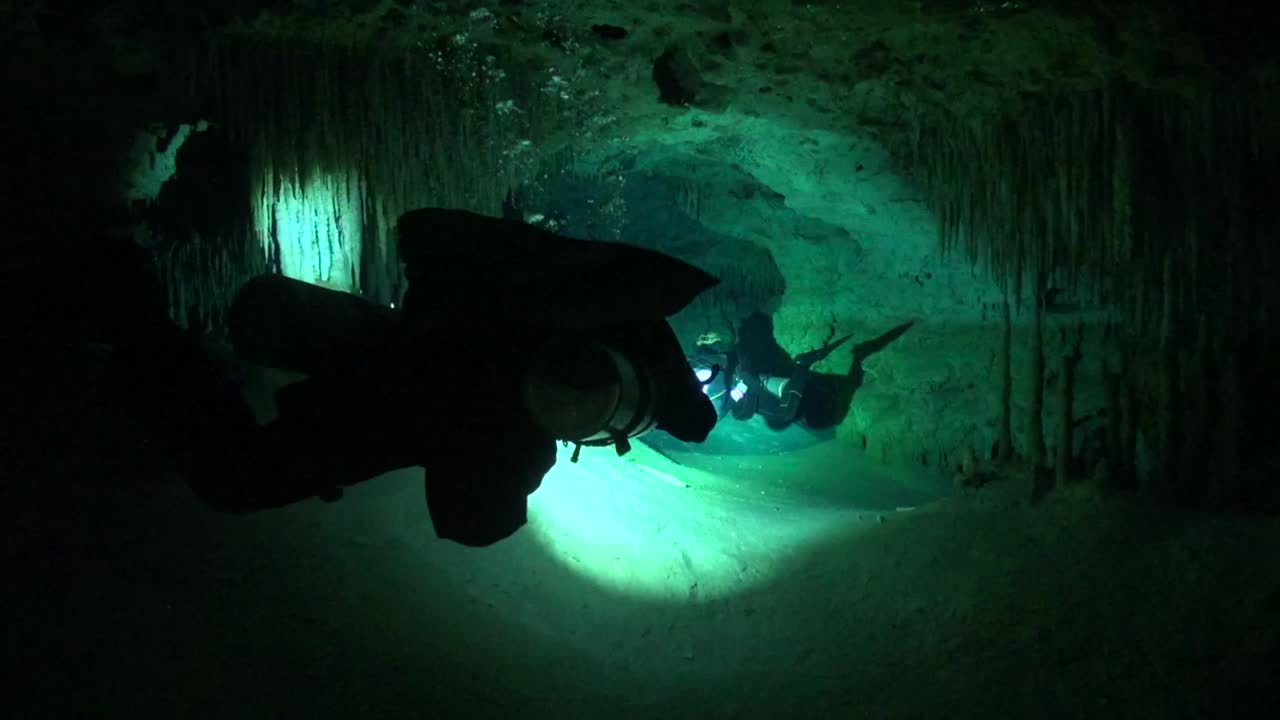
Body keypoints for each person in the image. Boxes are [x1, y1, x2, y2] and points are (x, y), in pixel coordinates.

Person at [691, 316, 852, 430]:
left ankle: (802, 366)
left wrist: (709, 343)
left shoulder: (704, 362)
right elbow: (724, 404)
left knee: (784, 413)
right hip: (745, 379)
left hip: (745, 378)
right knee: (785, 404)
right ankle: (802, 369)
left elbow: (722, 404)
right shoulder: (702, 365)